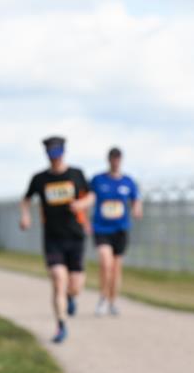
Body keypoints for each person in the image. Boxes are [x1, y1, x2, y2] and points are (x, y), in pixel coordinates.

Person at [20, 136, 93, 343]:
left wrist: (82, 205)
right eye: (50, 153)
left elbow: (91, 196)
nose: (54, 158)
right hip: (53, 238)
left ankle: (71, 297)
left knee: (75, 285)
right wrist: (25, 216)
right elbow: (26, 200)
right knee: (58, 280)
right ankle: (61, 325)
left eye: (57, 153)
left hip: (75, 236)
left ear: (63, 152)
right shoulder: (39, 179)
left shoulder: (76, 174)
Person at [90, 147, 142, 316]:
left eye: (118, 158)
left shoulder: (128, 181)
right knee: (106, 264)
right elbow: (89, 198)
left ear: (121, 160)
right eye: (113, 158)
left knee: (116, 269)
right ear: (108, 160)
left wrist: (136, 209)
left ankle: (113, 301)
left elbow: (136, 200)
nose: (115, 161)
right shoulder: (98, 180)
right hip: (101, 228)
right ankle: (103, 298)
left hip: (120, 229)